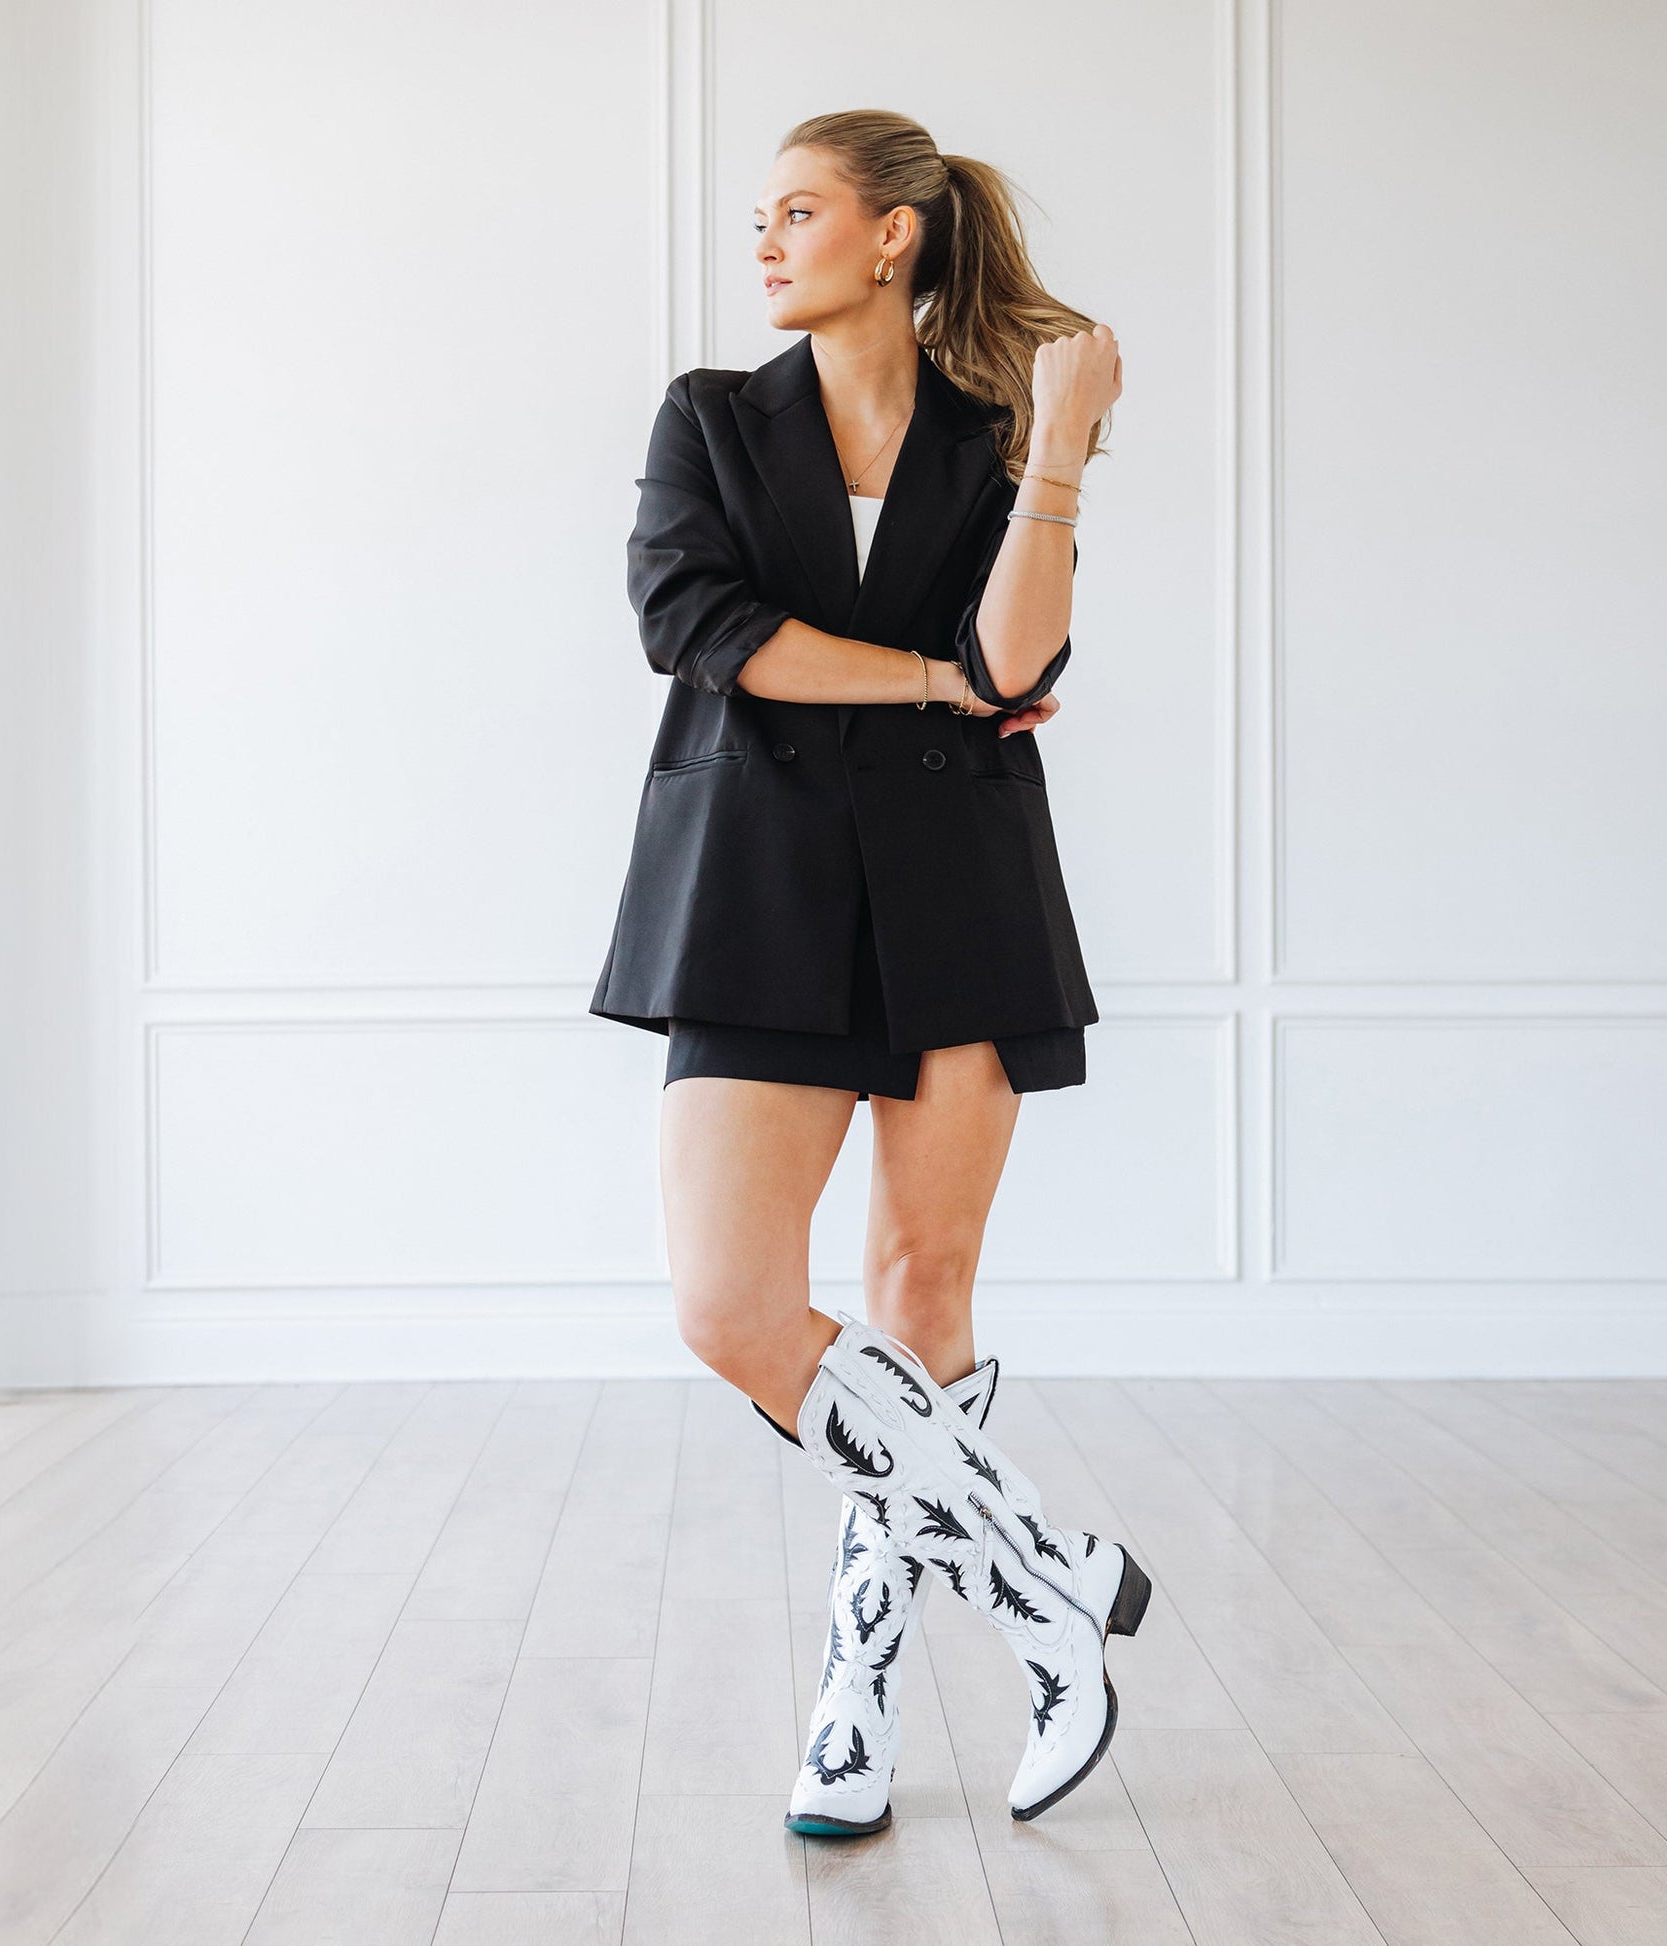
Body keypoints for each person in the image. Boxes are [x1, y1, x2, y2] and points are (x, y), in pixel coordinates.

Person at [588, 109, 1149, 1833]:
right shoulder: (709, 416)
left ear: (892, 233)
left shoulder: (994, 430)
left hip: (955, 884)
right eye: (762, 216)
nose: (763, 241)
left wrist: (1058, 447)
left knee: (919, 1295)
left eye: (797, 211)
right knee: (731, 1309)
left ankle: (857, 1702)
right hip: (751, 888)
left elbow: (1016, 657)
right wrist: (925, 682)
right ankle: (1048, 1584)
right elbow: (698, 629)